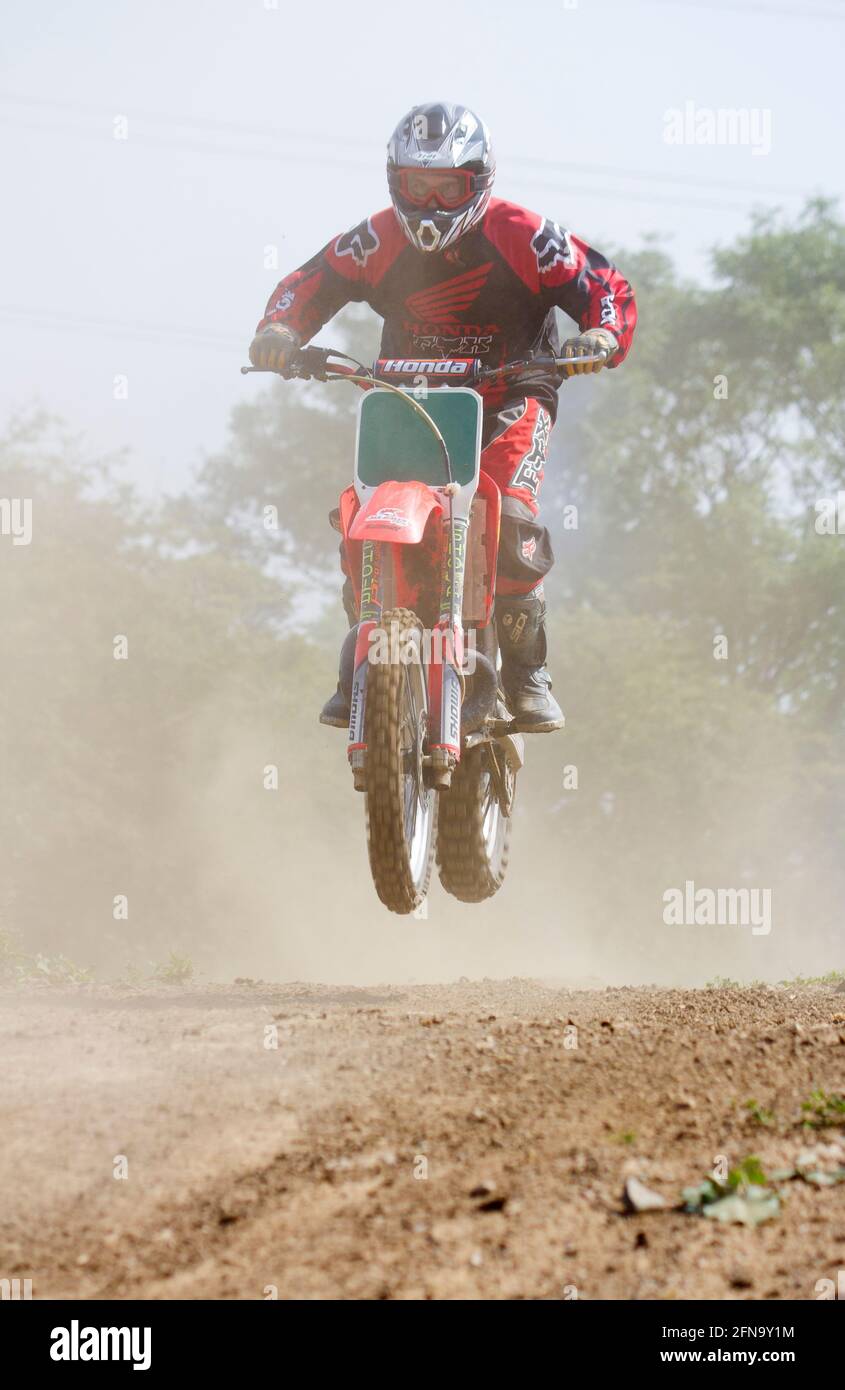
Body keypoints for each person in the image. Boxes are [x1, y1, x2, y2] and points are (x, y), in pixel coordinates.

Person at [249, 102, 637, 731]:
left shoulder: (524, 234)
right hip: (410, 394)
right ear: (394, 182)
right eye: (415, 187)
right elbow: (311, 281)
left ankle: (524, 674)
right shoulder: (377, 238)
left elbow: (603, 285)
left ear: (478, 182)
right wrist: (277, 330)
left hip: (514, 391)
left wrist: (600, 336)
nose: (429, 204)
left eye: (446, 187)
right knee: (361, 511)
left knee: (507, 516)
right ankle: (365, 658)